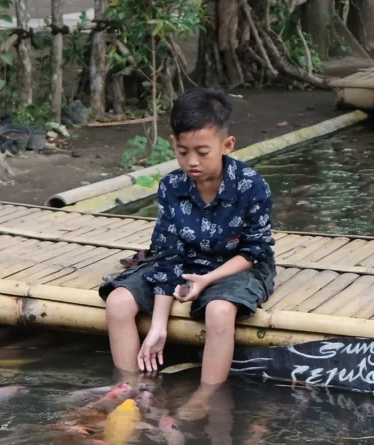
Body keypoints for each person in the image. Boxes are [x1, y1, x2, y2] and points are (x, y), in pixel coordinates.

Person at [100, 86, 276, 409]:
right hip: (182, 262)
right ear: (174, 145)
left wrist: (207, 280)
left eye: (203, 152)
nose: (192, 161)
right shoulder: (171, 185)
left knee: (219, 311)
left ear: (227, 145)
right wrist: (158, 326)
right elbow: (168, 254)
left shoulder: (252, 185)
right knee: (118, 302)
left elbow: (255, 251)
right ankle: (129, 391)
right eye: (183, 152)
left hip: (236, 264)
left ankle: (205, 398)